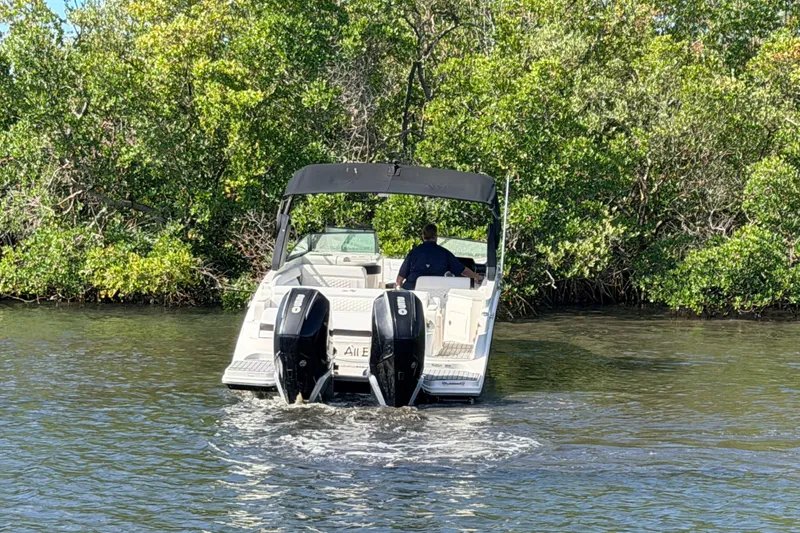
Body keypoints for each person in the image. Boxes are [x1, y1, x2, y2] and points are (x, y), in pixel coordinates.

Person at [395, 223, 483, 290]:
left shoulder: (413, 253)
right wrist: (477, 277)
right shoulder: (444, 253)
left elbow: (399, 280)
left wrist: (399, 289)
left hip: (412, 289)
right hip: (436, 291)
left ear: (423, 236)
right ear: (436, 236)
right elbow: (463, 271)